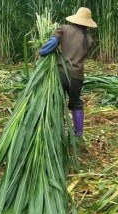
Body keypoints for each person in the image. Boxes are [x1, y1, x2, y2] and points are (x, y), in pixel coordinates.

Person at [39, 7, 97, 138]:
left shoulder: (63, 29)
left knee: (58, 102)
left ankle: (58, 132)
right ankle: (78, 134)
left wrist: (41, 52)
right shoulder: (89, 39)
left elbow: (53, 43)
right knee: (76, 103)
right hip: (77, 77)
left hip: (60, 73)